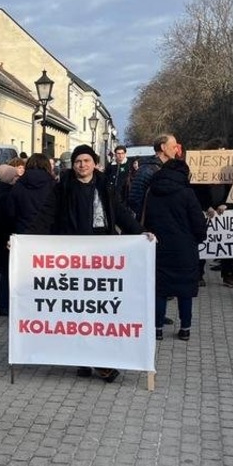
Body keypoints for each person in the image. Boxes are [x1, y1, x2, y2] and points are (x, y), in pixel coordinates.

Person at [54, 145, 146, 382]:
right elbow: (47, 214)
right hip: (73, 257)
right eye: (77, 161)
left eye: (86, 160)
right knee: (79, 311)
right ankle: (89, 361)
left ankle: (91, 360)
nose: (81, 165)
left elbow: (120, 212)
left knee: (97, 310)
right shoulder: (63, 187)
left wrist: (140, 233)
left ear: (94, 163)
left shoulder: (105, 186)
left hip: (101, 256)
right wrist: (24, 240)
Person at [142, 158, 207, 341]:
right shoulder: (187, 193)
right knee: (185, 290)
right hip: (184, 249)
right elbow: (198, 223)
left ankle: (157, 329)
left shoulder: (151, 192)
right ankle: (185, 328)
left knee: (159, 290)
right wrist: (198, 238)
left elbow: (145, 219)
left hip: (158, 247)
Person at [0, 163, 20, 316]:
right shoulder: (8, 196)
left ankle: (3, 305)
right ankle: (3, 306)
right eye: (15, 176)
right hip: (6, 240)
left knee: (4, 274)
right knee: (7, 275)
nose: (17, 178)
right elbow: (9, 220)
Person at [128, 133, 180, 219]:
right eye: (174, 147)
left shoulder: (172, 169)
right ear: (163, 147)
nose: (177, 150)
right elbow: (134, 199)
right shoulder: (146, 170)